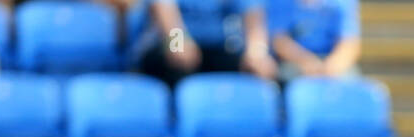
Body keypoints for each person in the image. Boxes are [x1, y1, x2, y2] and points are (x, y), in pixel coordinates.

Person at [135, 0, 277, 86]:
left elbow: (253, 18)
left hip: (220, 47)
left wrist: (258, 52)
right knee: (176, 62)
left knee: (255, 69)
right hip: (173, 43)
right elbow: (164, 10)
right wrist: (178, 41)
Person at [268, 0, 361, 80]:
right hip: (294, 62)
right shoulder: (281, 2)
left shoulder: (342, 2)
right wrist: (307, 62)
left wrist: (331, 67)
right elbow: (279, 41)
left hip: (330, 59)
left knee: (349, 80)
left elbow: (348, 43)